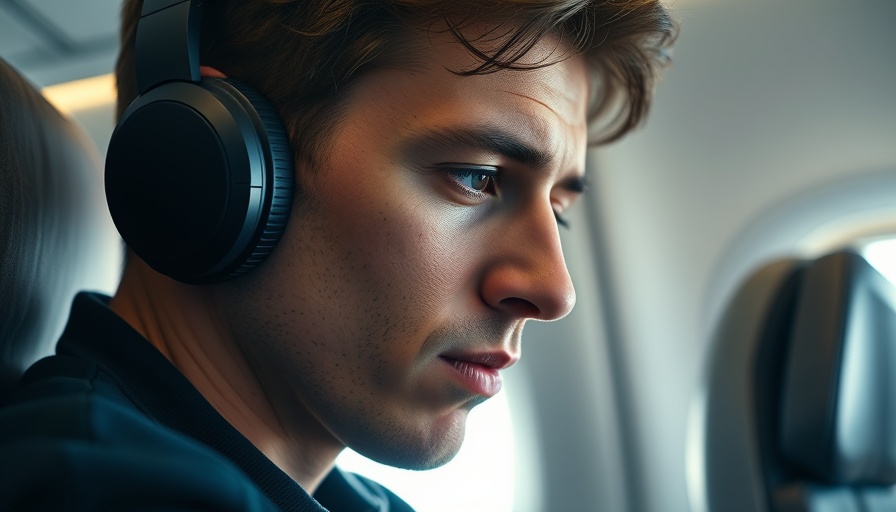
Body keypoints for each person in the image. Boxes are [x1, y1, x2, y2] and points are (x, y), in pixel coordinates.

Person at [0, 0, 676, 510]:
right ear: (206, 163)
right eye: (476, 177)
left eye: (559, 209)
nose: (555, 290)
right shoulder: (94, 487)